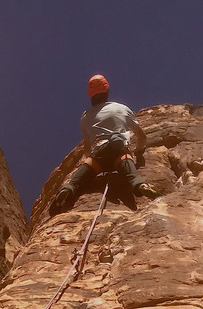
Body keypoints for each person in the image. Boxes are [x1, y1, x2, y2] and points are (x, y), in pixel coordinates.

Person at [49, 74, 157, 215]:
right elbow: (142, 136)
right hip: (119, 147)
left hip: (99, 150)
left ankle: (67, 189)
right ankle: (139, 184)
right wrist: (139, 151)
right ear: (107, 91)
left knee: (79, 180)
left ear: (90, 95)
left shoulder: (85, 116)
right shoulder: (121, 108)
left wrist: (90, 159)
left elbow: (87, 146)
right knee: (128, 168)